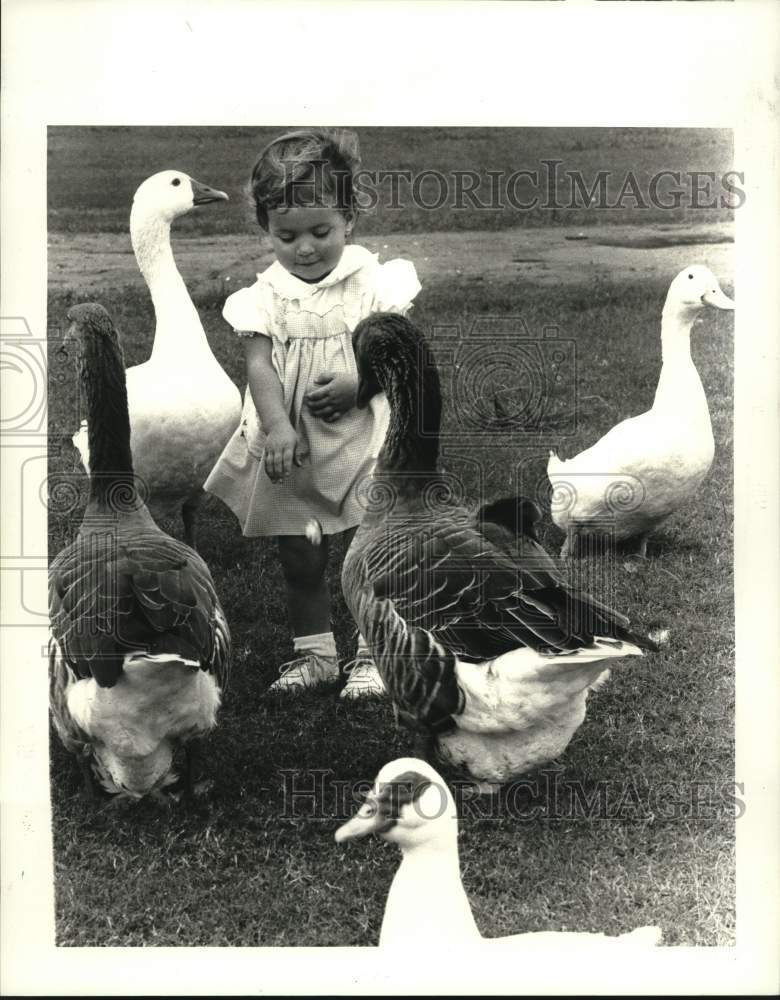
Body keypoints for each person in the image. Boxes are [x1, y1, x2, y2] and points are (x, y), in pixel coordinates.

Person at [205, 128, 421, 698]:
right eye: (287, 235)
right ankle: (316, 655)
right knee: (302, 553)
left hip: (362, 435)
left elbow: (396, 349)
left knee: (370, 550)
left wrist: (359, 381)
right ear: (266, 229)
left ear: (349, 218)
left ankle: (374, 654)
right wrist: (276, 424)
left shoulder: (373, 283)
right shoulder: (265, 296)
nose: (304, 248)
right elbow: (260, 366)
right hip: (296, 444)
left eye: (320, 231)